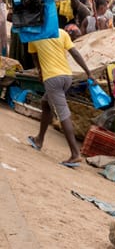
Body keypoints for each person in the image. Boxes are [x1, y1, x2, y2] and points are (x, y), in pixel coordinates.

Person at [26, 29, 95, 167]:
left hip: (52, 78)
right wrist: (88, 72)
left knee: (63, 113)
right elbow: (74, 53)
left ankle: (75, 154)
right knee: (45, 103)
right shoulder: (61, 33)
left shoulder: (34, 35)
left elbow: (35, 58)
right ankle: (39, 139)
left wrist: (40, 72)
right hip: (66, 77)